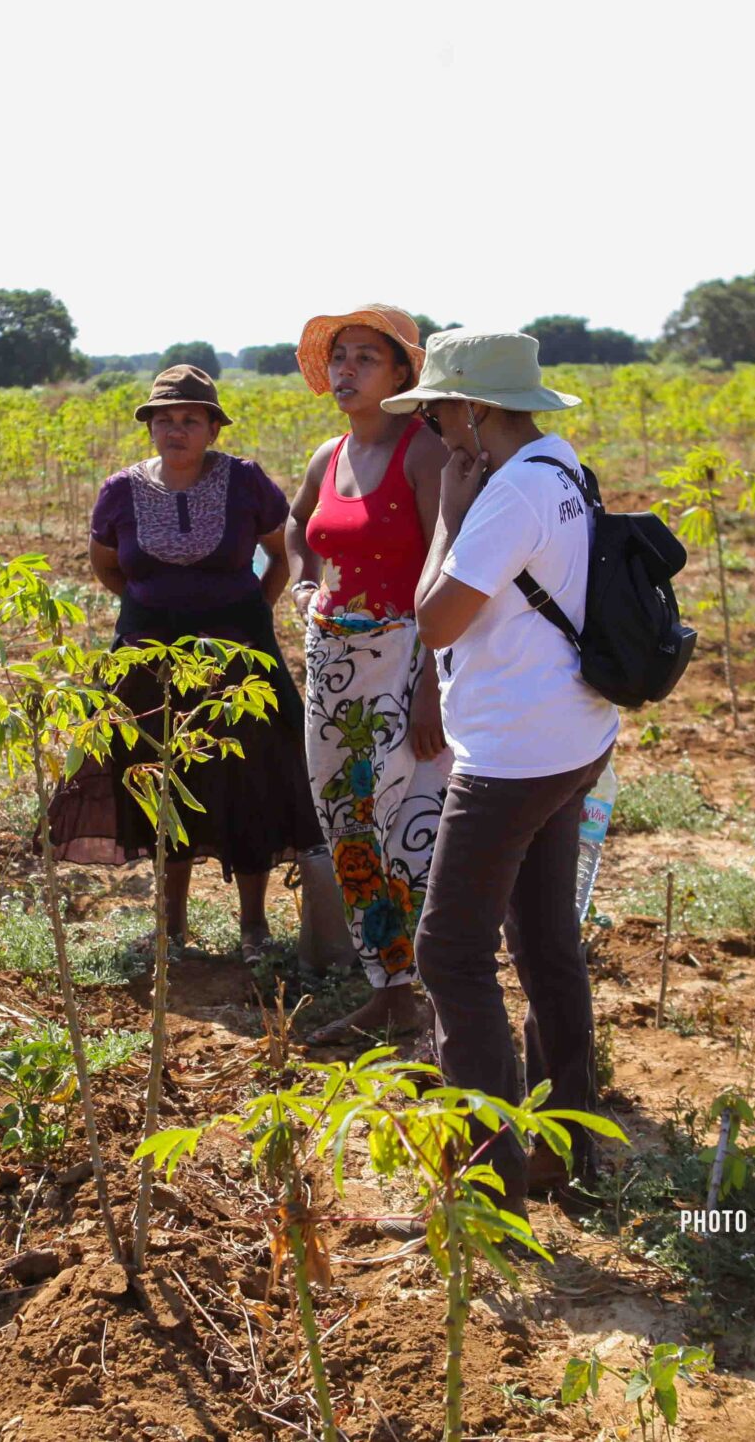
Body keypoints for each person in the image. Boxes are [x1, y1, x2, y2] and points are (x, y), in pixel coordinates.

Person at [386, 330, 617, 1211]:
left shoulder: (504, 491)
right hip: (575, 735)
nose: (438, 430)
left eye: (443, 411)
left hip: (513, 753)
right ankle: (571, 1150)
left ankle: (490, 1186)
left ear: (478, 411)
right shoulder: (564, 467)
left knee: (449, 953)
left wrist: (447, 509)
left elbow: (435, 619)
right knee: (546, 940)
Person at [48, 365, 334, 964]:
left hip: (239, 661)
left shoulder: (246, 482)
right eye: (163, 419)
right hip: (147, 662)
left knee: (249, 778)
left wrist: (255, 606)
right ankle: (170, 926)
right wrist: (150, 605)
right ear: (150, 428)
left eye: (189, 419)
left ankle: (253, 927)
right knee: (158, 778)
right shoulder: (120, 492)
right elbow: (107, 566)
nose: (175, 430)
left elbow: (281, 553)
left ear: (212, 428)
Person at [283, 307, 453, 1044]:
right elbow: (298, 526)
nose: (347, 370)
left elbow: (450, 568)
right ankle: (386, 987)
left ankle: (430, 991)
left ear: (402, 374)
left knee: (410, 823)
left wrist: (430, 685)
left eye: (366, 358)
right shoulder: (328, 454)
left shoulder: (425, 454)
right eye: (340, 357)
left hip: (406, 662)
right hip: (333, 668)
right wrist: (301, 585)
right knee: (347, 822)